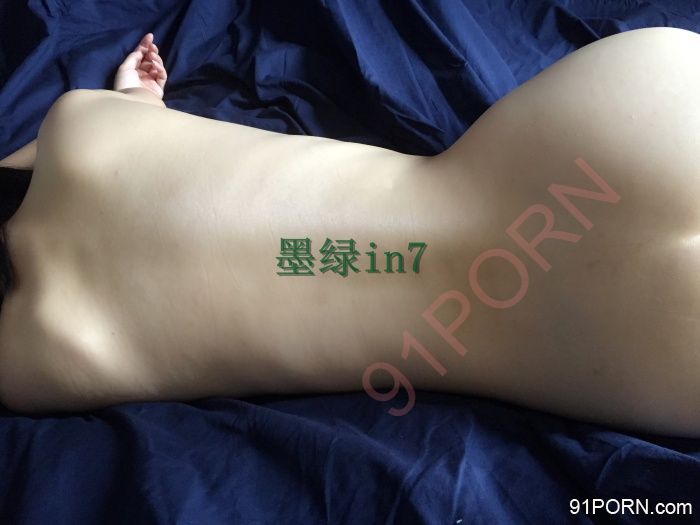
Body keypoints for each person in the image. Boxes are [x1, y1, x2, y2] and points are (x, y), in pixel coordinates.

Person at [0, 28, 698, 438]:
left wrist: (134, 103)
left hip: (576, 342)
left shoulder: (35, 363)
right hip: (613, 127)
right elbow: (93, 160)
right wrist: (136, 97)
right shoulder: (77, 122)